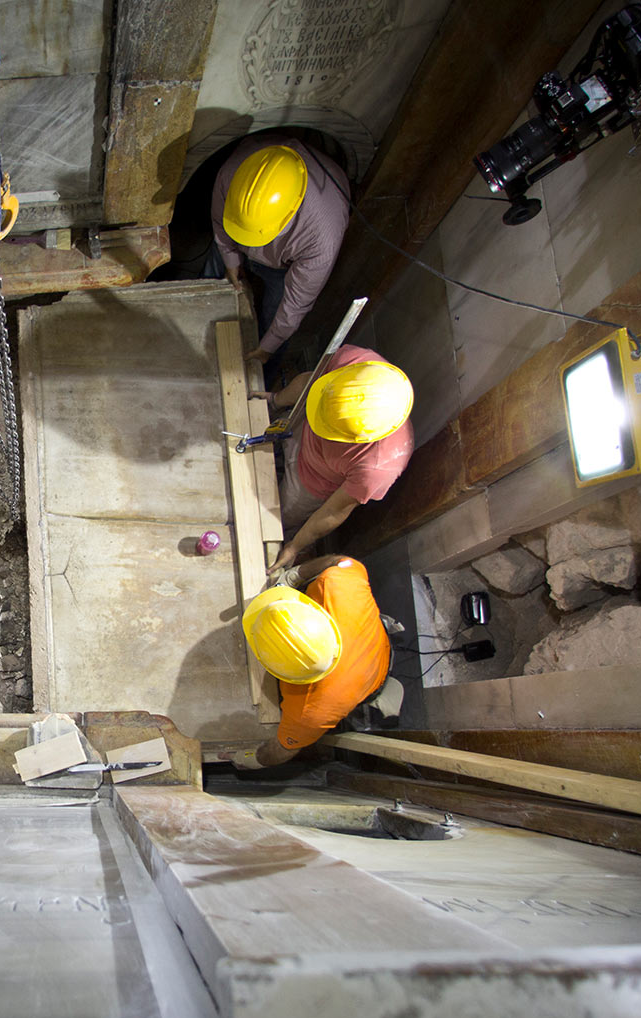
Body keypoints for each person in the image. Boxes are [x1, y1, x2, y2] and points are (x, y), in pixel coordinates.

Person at [253, 345, 414, 576]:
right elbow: (309, 383)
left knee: (274, 519)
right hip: (299, 425)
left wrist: (295, 546)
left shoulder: (379, 466)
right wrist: (274, 401)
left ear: (362, 438)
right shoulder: (358, 364)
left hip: (310, 485)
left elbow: (333, 511)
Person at [235, 555, 398, 769]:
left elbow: (283, 750)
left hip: (372, 683)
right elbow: (341, 560)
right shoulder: (340, 585)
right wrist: (294, 576)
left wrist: (247, 760)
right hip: (375, 646)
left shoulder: (310, 711)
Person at [209, 135, 350, 366]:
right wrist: (231, 261)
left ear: (289, 213)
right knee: (216, 269)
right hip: (234, 239)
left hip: (283, 263)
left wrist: (267, 347)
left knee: (275, 316)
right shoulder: (233, 172)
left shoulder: (323, 234)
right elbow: (219, 221)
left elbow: (296, 302)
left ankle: (265, 367)